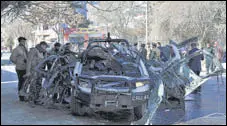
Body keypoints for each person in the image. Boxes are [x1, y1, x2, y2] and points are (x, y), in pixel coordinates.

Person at [10, 37, 28, 101]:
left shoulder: (25, 48)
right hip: (20, 68)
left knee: (25, 82)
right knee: (21, 82)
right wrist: (19, 62)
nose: (24, 42)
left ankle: (24, 94)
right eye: (23, 41)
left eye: (24, 41)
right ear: (19, 41)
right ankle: (21, 96)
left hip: (26, 67)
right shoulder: (17, 49)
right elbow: (12, 58)